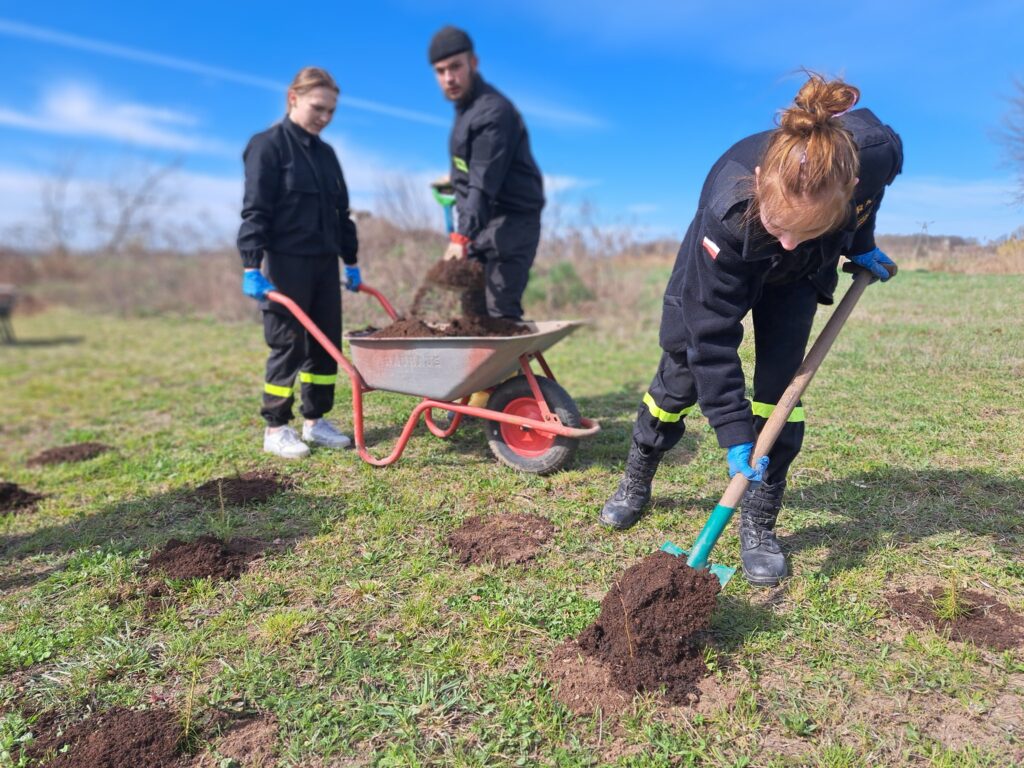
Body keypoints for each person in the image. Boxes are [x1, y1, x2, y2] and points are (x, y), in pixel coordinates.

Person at [599, 73, 903, 587]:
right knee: (681, 374)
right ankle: (637, 475)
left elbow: (866, 202)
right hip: (727, 260)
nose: (788, 243)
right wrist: (735, 434)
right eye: (781, 226)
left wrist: (859, 242)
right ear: (761, 179)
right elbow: (711, 337)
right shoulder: (730, 210)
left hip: (801, 278)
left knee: (783, 390)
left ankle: (759, 519)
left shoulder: (875, 155)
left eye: (805, 228)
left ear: (847, 188)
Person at [237, 66, 360, 459]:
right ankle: (276, 428)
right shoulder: (268, 145)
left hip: (324, 264)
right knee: (288, 344)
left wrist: (351, 261)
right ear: (294, 98)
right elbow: (255, 210)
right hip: (285, 263)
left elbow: (342, 214)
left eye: (331, 111)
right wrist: (251, 265)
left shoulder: (327, 155)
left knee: (325, 345)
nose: (325, 117)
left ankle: (315, 421)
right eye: (318, 108)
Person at [428, 25, 545, 321]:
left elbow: (482, 183)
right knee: (473, 316)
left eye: (455, 67)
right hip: (481, 224)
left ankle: (511, 352)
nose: (449, 78)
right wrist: (453, 180)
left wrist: (460, 237)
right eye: (440, 71)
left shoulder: (493, 111)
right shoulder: (465, 112)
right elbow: (473, 167)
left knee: (499, 314)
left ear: (473, 63)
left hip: (511, 225)